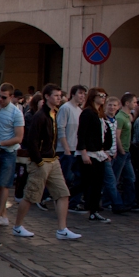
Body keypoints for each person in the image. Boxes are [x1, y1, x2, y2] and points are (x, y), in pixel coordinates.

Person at [12, 84, 81, 240]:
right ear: (47, 97)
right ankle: (17, 226)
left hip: (53, 160)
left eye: (59, 95)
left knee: (62, 193)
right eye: (55, 95)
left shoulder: (54, 113)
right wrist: (39, 161)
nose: (59, 98)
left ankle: (62, 229)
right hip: (41, 161)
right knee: (31, 195)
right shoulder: (40, 116)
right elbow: (32, 141)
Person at [0, 83, 25, 226]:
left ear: (11, 97)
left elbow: (19, 137)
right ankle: (2, 214)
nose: (0, 100)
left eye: (4, 97)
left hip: (8, 152)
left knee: (4, 184)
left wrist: (0, 143)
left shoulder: (16, 113)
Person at [77, 87, 113, 223]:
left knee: (97, 183)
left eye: (105, 96)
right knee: (87, 183)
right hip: (90, 153)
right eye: (100, 95)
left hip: (99, 152)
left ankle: (94, 211)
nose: (103, 98)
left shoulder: (100, 114)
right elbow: (82, 134)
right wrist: (83, 152)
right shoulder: (88, 113)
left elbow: (103, 134)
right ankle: (66, 199)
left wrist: (105, 151)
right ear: (93, 97)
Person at [57, 85, 88, 213]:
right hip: (67, 148)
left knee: (78, 177)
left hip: (77, 148)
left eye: (84, 94)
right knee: (66, 177)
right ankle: (56, 198)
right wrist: (66, 148)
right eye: (80, 93)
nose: (82, 96)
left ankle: (73, 202)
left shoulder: (80, 110)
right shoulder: (66, 108)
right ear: (73, 94)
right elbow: (61, 128)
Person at [115, 93, 137, 210]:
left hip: (127, 151)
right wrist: (121, 150)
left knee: (130, 177)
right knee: (116, 177)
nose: (136, 104)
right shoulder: (120, 117)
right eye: (134, 102)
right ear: (127, 103)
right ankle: (110, 201)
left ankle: (129, 201)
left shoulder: (128, 116)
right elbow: (117, 136)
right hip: (122, 151)